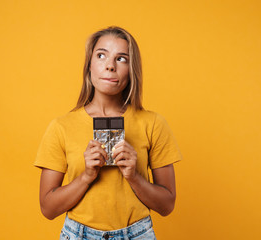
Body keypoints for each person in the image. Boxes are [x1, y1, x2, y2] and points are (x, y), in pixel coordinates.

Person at [34, 26, 182, 240]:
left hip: (137, 234)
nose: (110, 66)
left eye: (121, 59)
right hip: (78, 234)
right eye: (101, 55)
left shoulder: (153, 124)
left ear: (132, 69)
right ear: (89, 65)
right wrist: (87, 176)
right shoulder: (61, 127)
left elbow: (167, 205)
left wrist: (134, 177)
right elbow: (48, 209)